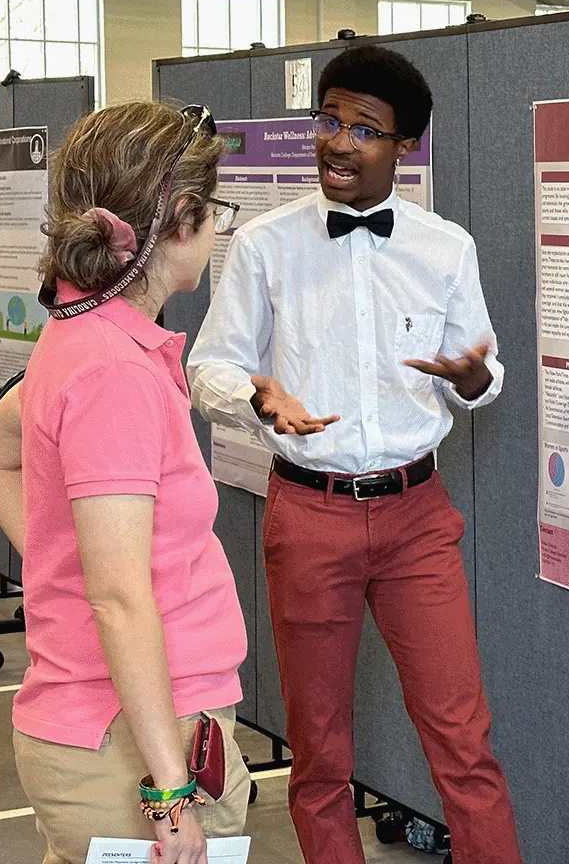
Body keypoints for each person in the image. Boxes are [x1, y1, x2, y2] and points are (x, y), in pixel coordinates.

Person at [187, 45, 522, 863]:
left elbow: (481, 373)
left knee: (462, 739)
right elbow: (210, 365)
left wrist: (475, 380)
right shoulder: (266, 245)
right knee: (321, 752)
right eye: (329, 121)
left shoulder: (446, 249)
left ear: (404, 146)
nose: (338, 142)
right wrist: (258, 396)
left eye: (364, 129)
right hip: (310, 514)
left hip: (416, 519)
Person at [0, 102, 317, 864]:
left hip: (117, 722)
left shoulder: (83, 334)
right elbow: (120, 598)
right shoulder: (113, 372)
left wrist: (59, 566)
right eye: (215, 211)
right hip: (136, 740)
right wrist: (168, 795)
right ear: (181, 219)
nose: (221, 230)